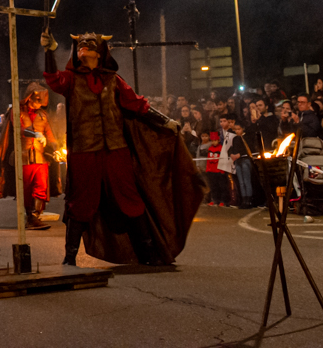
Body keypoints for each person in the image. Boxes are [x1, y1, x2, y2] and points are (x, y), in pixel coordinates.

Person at [42, 31, 203, 266]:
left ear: (101, 51)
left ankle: (147, 254)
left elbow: (137, 104)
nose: (83, 47)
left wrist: (165, 121)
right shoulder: (71, 78)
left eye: (89, 43)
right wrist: (49, 51)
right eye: (80, 44)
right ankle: (69, 257)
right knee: (80, 203)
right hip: (84, 151)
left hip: (116, 150)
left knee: (130, 200)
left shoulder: (113, 80)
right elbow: (52, 78)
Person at [0, 82, 57, 229]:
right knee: (26, 188)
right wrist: (36, 134)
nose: (38, 104)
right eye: (36, 100)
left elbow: (50, 135)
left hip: (41, 157)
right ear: (29, 98)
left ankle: (35, 216)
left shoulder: (43, 115)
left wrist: (56, 147)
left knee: (41, 185)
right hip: (23, 156)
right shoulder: (17, 112)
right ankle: (29, 216)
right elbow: (20, 129)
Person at [204, 132, 229, 206]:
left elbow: (223, 160)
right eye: (212, 140)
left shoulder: (221, 148)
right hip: (212, 170)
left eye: (215, 140)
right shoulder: (210, 149)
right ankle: (215, 199)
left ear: (218, 140)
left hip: (219, 170)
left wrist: (222, 170)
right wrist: (207, 169)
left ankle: (223, 200)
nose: (214, 142)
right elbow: (208, 160)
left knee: (222, 186)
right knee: (213, 186)